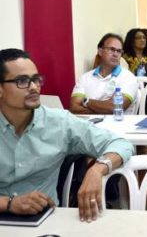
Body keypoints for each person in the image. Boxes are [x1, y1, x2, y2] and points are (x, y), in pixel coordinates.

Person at [0, 48, 134, 222]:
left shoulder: (59, 123)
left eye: (36, 79)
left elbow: (121, 143)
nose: (33, 87)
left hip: (43, 220)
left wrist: (97, 169)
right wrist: (9, 204)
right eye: (22, 81)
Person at [70, 33, 138, 115]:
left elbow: (115, 107)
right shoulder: (85, 78)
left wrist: (86, 101)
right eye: (112, 49)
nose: (115, 54)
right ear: (100, 51)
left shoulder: (128, 77)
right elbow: (74, 107)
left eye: (119, 51)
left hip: (118, 125)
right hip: (89, 124)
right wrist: (103, 108)